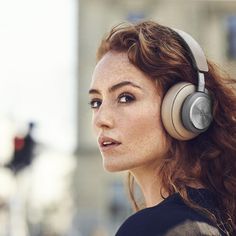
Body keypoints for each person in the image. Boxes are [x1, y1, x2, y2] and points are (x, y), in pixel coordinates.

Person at [88, 20, 236, 236]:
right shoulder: (217, 217)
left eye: (126, 97)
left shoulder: (154, 227)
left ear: (185, 108)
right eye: (95, 102)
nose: (101, 118)